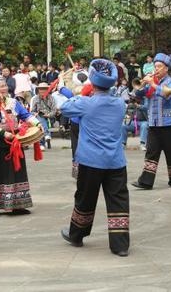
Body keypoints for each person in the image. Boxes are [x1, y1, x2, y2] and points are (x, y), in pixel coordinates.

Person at [60, 59, 129, 257]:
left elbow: (65, 109)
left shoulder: (85, 103)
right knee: (119, 201)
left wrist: (80, 93)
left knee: (85, 199)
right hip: (116, 160)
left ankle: (76, 235)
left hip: (91, 160)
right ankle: (120, 245)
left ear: (92, 80)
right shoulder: (119, 104)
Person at [0, 74, 41, 217]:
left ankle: (18, 205)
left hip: (14, 141)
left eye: (5, 85)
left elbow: (25, 115)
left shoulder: (13, 103)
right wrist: (3, 134)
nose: (4, 88)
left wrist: (37, 124)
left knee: (17, 173)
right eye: (1, 86)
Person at [132, 53, 171, 190]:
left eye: (159, 66)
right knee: (151, 151)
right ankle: (146, 181)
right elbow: (137, 95)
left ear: (166, 68)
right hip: (154, 122)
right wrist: (141, 85)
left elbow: (169, 95)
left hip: (169, 123)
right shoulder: (151, 81)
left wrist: (153, 84)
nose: (157, 69)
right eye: (155, 66)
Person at [30, 82, 57, 150]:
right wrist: (34, 114)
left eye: (44, 89)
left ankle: (42, 143)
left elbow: (54, 111)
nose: (42, 90)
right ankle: (46, 135)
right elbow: (32, 111)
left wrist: (48, 115)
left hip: (50, 118)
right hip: (39, 117)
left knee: (41, 121)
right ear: (38, 90)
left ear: (48, 90)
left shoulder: (52, 98)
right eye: (41, 89)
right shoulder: (35, 98)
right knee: (40, 120)